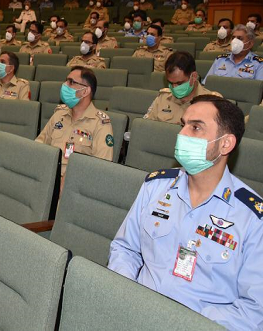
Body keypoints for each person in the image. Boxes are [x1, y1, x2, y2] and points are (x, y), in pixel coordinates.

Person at [109, 96, 263, 330]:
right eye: (183, 124)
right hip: (134, 314)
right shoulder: (155, 186)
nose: (182, 134)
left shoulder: (251, 217)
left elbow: (254, 309)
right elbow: (125, 248)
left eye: (196, 127)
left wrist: (185, 324)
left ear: (226, 144)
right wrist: (126, 296)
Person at [36, 67, 114, 180]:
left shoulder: (100, 124)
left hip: (74, 184)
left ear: (85, 91)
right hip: (46, 175)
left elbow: (102, 168)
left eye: (71, 82)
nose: (65, 85)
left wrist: (69, 180)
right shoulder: (59, 114)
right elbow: (39, 144)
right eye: (66, 80)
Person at [144, 52, 221, 125]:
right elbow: (146, 128)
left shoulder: (213, 102)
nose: (174, 87)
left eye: (179, 83)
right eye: (170, 83)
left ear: (193, 76)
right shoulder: (162, 98)